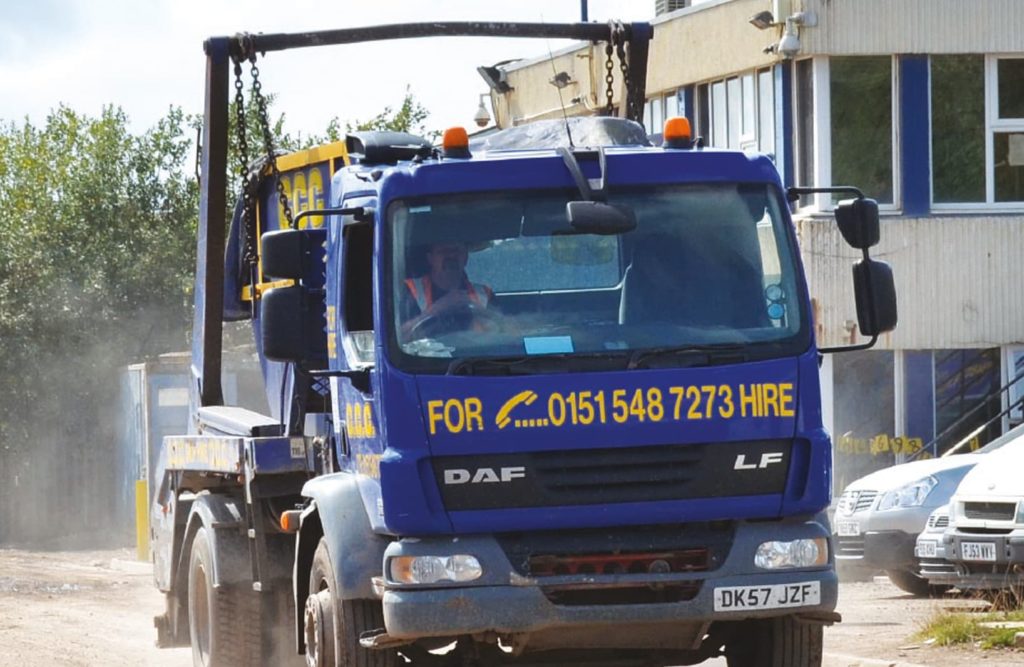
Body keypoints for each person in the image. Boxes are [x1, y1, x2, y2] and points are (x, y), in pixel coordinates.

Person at [399, 242, 498, 339]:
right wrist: (437, 309)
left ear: (465, 258)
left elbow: (509, 331)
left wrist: (481, 311)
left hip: (476, 353)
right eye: (443, 251)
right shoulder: (410, 290)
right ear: (430, 259)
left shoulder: (484, 294)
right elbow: (398, 336)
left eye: (457, 250)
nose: (451, 255)